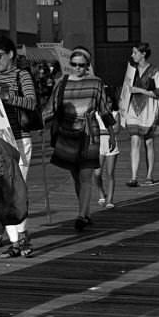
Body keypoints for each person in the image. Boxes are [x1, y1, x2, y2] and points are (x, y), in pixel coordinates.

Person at [44, 46, 112, 231]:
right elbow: (51, 107)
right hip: (67, 134)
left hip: (90, 133)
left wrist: (112, 133)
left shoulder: (96, 83)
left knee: (85, 175)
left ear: (87, 66)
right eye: (74, 64)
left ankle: (81, 216)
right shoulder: (61, 82)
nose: (77, 68)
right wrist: (39, 122)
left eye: (81, 65)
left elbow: (104, 109)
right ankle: (86, 211)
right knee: (76, 175)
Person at [0, 35, 38, 258]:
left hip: (18, 137)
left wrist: (6, 95)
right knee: (0, 193)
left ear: (11, 55)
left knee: (16, 189)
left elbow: (32, 102)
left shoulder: (21, 75)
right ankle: (17, 241)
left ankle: (22, 238)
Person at [121, 42, 159, 187]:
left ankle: (149, 174)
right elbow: (126, 89)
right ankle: (133, 176)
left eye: (135, 52)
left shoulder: (154, 71)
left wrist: (139, 90)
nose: (133, 55)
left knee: (149, 142)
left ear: (143, 54)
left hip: (149, 107)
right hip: (133, 107)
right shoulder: (131, 71)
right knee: (134, 140)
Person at [94, 85, 120, 209]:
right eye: (105, 102)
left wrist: (103, 131)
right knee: (97, 173)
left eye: (109, 102)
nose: (107, 105)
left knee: (110, 173)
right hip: (99, 145)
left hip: (111, 144)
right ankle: (101, 193)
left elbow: (117, 129)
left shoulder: (115, 113)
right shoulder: (96, 114)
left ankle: (110, 199)